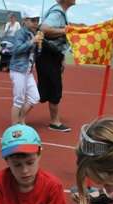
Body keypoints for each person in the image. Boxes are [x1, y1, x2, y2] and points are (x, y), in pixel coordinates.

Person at [36, 0, 76, 133]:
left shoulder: (60, 13)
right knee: (53, 88)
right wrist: (66, 30)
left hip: (51, 55)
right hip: (48, 55)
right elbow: (44, 29)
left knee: (46, 89)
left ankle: (20, 116)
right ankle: (54, 122)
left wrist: (62, 58)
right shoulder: (57, 13)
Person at [9, 13, 43, 124]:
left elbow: (36, 55)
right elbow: (16, 50)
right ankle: (15, 127)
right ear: (25, 21)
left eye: (37, 20)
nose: (36, 23)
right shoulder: (20, 33)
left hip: (27, 72)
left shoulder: (34, 34)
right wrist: (32, 41)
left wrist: (39, 45)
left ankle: (21, 119)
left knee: (35, 97)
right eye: (33, 20)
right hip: (18, 70)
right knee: (18, 100)